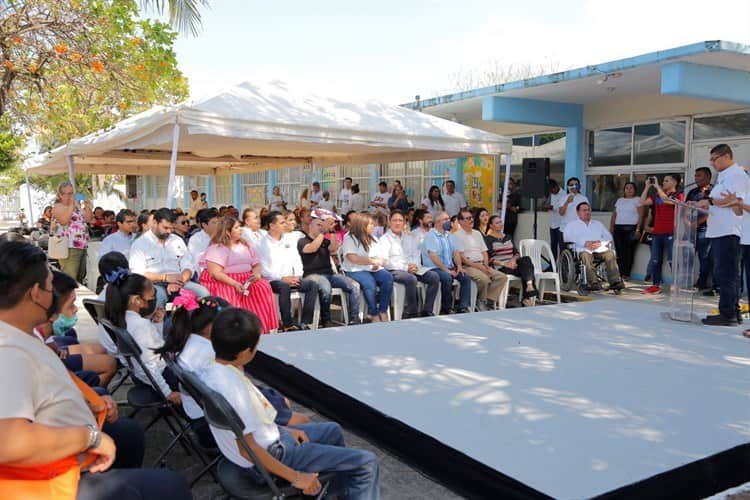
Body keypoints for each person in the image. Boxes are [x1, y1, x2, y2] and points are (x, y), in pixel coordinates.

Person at [0, 241, 191, 500]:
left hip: (70, 449)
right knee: (171, 486)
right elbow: (10, 442)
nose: (53, 296)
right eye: (49, 286)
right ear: (35, 294)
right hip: (50, 480)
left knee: (129, 435)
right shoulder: (7, 352)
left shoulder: (19, 336)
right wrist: (90, 438)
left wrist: (90, 402)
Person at [203, 308, 381, 499]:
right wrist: (297, 478)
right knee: (366, 463)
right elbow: (248, 450)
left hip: (267, 442)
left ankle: (332, 493)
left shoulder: (210, 369)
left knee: (332, 430)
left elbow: (251, 430)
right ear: (246, 352)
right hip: (270, 457)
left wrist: (283, 430)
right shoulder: (234, 389)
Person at [155, 293, 307, 446]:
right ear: (212, 327)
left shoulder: (189, 342)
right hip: (219, 422)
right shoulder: (210, 356)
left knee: (282, 402)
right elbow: (237, 390)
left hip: (207, 413)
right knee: (302, 420)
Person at [104, 269, 180, 404]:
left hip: (139, 376)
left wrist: (157, 323)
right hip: (163, 377)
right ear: (137, 300)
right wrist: (167, 392)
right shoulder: (140, 325)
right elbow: (149, 363)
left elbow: (150, 348)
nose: (153, 301)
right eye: (151, 297)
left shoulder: (119, 318)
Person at [697, 144, 750, 327]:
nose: (712, 163)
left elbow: (735, 201)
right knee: (725, 272)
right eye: (711, 159)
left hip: (730, 230)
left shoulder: (736, 175)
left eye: (715, 158)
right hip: (720, 229)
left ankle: (728, 313)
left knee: (727, 273)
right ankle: (732, 311)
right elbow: (724, 200)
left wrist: (710, 201)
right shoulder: (724, 176)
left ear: (727, 156)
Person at [200, 216, 279, 333]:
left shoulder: (246, 245)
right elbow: (215, 273)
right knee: (229, 292)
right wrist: (234, 283)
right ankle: (235, 331)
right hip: (225, 280)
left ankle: (258, 328)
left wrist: (256, 274)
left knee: (263, 286)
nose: (241, 229)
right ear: (227, 231)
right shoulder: (216, 248)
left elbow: (256, 264)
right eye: (237, 227)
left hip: (247, 279)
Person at [40, 270, 117, 387]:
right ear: (52, 312)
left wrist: (55, 350)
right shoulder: (32, 337)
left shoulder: (41, 330)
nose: (76, 309)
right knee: (110, 364)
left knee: (100, 350)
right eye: (71, 305)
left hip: (55, 358)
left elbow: (50, 345)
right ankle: (91, 399)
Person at [129, 207, 209, 307]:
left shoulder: (177, 241)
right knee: (159, 297)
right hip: (154, 284)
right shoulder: (140, 244)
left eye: (171, 228)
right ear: (154, 222)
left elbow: (188, 266)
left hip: (180, 281)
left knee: (203, 293)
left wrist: (179, 282)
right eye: (165, 228)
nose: (169, 232)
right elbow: (138, 274)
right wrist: (165, 278)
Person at [298, 212, 362, 327]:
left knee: (354, 285)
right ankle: (326, 319)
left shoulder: (323, 240)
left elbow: (333, 249)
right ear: (310, 226)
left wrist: (332, 231)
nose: (321, 227)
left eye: (322, 225)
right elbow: (312, 248)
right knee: (326, 287)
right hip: (312, 275)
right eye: (318, 225)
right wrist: (323, 232)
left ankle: (354, 319)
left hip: (329, 274)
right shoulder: (303, 241)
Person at [258, 211, 319, 331]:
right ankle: (287, 324)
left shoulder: (288, 240)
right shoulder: (262, 243)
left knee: (312, 285)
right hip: (273, 280)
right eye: (282, 223)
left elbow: (296, 259)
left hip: (292, 278)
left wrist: (297, 276)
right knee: (284, 287)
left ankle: (305, 322)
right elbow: (263, 268)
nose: (285, 225)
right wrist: (282, 278)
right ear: (272, 226)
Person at [381, 210, 440, 317]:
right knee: (411, 279)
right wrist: (406, 267)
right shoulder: (385, 239)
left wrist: (415, 265)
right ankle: (411, 311)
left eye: (400, 220)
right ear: (389, 223)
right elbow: (385, 262)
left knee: (434, 277)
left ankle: (427, 310)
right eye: (395, 220)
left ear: (404, 223)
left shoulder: (410, 237)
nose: (397, 223)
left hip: (413, 267)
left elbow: (416, 253)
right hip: (394, 270)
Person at [341, 213, 393, 323]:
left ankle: (382, 310)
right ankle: (373, 313)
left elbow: (382, 255)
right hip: (355, 269)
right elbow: (353, 258)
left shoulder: (373, 238)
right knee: (369, 282)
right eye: (370, 224)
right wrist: (372, 261)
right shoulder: (350, 238)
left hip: (372, 268)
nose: (373, 226)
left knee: (387, 277)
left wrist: (379, 262)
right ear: (362, 225)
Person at [452, 209, 508, 311]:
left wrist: (485, 265)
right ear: (460, 221)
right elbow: (461, 257)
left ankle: (489, 300)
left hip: (482, 264)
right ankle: (481, 300)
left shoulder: (477, 233)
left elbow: (484, 252)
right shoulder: (456, 235)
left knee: (501, 277)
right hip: (468, 266)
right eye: (468, 218)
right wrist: (479, 266)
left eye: (472, 218)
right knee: (484, 279)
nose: (471, 220)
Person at [564, 202, 624, 292]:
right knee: (585, 256)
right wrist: (584, 243)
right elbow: (566, 237)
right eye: (584, 210)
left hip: (599, 249)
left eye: (588, 210)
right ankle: (593, 282)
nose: (587, 212)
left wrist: (600, 243)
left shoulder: (598, 224)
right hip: (583, 250)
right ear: (578, 212)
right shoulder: (571, 225)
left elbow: (609, 237)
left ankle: (615, 281)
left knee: (610, 254)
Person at [421, 211, 472, 314]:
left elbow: (456, 253)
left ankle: (463, 306)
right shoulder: (431, 236)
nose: (448, 221)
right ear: (438, 222)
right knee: (446, 277)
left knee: (465, 277)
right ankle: (446, 307)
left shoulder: (450, 235)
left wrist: (459, 266)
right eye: (446, 219)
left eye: (448, 219)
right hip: (434, 267)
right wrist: (447, 270)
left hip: (450, 267)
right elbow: (434, 257)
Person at [639, 175, 683, 294]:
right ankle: (655, 285)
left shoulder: (678, 195)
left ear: (674, 183)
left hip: (671, 233)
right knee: (655, 260)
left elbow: (667, 201)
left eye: (666, 181)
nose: (663, 183)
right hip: (657, 234)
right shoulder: (657, 195)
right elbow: (642, 202)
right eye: (663, 181)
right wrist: (647, 187)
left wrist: (657, 186)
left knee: (672, 260)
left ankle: (677, 286)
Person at [485, 215, 538, 306]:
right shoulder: (488, 239)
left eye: (501, 222)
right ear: (491, 226)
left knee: (526, 260)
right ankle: (527, 297)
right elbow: (489, 259)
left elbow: (516, 253)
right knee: (525, 270)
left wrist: (513, 261)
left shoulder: (508, 237)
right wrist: (505, 264)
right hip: (501, 267)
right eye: (497, 223)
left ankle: (529, 286)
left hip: (512, 264)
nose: (500, 224)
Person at [51, 181, 93, 283]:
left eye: (72, 193)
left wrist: (87, 207)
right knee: (70, 279)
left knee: (80, 278)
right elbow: (64, 220)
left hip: (82, 246)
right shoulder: (58, 207)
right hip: (68, 247)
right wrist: (71, 204)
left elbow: (88, 219)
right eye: (68, 193)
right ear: (60, 195)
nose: (71, 196)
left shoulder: (76, 207)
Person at [685, 167, 714, 290]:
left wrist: (697, 223)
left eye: (699, 175)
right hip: (689, 228)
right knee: (687, 255)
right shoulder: (692, 192)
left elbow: (711, 211)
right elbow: (684, 207)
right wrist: (687, 222)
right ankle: (685, 280)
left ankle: (702, 282)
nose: (696, 178)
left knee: (704, 257)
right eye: (695, 176)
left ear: (708, 177)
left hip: (705, 229)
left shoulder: (714, 191)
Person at [609, 182, 641, 279]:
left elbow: (641, 215)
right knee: (619, 251)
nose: (629, 190)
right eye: (627, 188)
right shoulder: (620, 200)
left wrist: (638, 229)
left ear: (635, 189)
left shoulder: (638, 200)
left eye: (631, 188)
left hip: (631, 229)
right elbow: (614, 214)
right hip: (618, 229)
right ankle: (619, 273)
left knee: (628, 252)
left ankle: (626, 274)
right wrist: (611, 227)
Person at [188, 207, 220, 274]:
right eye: (214, 223)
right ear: (204, 225)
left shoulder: (222, 236)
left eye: (218, 222)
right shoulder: (196, 239)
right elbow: (197, 263)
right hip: (206, 276)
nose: (217, 225)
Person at [548, 180, 567, 259]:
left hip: (561, 225)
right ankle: (552, 266)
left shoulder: (564, 194)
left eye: (552, 190)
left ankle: (563, 266)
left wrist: (551, 207)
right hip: (553, 224)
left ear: (556, 186)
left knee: (562, 247)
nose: (552, 192)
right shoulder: (552, 194)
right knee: (553, 246)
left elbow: (561, 208)